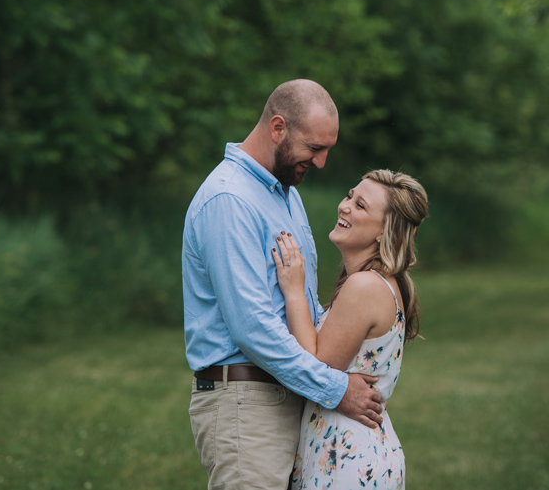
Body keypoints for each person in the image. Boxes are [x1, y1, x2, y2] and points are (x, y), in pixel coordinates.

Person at [182, 79, 385, 490]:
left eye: (327, 149)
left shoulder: (284, 193)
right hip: (246, 404)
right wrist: (335, 388)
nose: (322, 162)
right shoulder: (230, 199)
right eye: (314, 148)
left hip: (289, 395)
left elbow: (301, 303)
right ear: (278, 128)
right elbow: (252, 327)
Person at [272, 169, 428, 490]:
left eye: (360, 206)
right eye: (349, 196)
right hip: (354, 451)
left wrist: (293, 289)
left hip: (346, 459)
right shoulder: (382, 283)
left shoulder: (364, 286)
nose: (344, 206)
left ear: (383, 233)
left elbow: (315, 368)